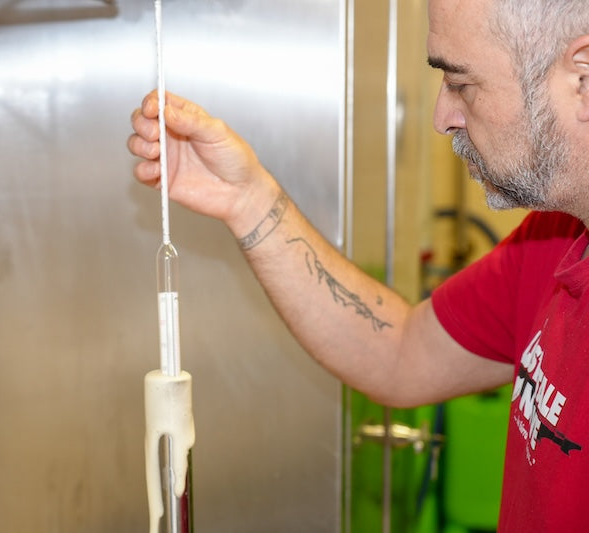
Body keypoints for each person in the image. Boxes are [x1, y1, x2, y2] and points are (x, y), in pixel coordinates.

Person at [128, 0, 589, 530]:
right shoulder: (555, 239)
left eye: (461, 84)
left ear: (582, 77)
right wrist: (247, 200)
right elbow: (401, 353)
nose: (442, 117)